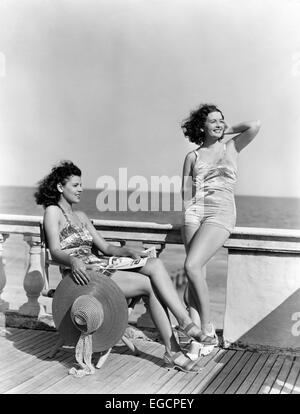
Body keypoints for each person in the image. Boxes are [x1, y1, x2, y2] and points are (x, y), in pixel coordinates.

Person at [34, 160, 207, 372]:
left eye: (81, 184)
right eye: (76, 185)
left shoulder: (81, 216)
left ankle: (183, 323)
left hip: (99, 268)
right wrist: (72, 260)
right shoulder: (52, 212)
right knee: (149, 286)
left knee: (154, 263)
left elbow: (105, 247)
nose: (81, 189)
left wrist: (128, 252)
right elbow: (54, 250)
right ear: (61, 187)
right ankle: (175, 344)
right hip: (80, 279)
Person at [181, 103, 261, 359]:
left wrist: (226, 130)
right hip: (195, 214)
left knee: (191, 266)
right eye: (212, 121)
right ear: (201, 126)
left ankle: (207, 330)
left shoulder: (232, 146)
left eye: (221, 120)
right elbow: (185, 194)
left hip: (221, 213)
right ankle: (196, 342)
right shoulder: (192, 156)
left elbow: (254, 125)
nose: (218, 124)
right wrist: (189, 215)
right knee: (196, 276)